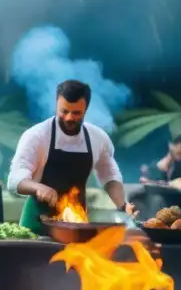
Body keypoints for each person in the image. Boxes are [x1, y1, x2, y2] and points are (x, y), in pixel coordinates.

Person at [9, 79, 135, 233]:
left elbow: (109, 175)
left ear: (86, 110)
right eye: (64, 111)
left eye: (76, 113)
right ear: (57, 105)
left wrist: (122, 206)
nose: (69, 118)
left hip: (76, 223)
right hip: (37, 224)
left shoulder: (97, 138)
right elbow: (14, 180)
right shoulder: (37, 136)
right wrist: (37, 187)